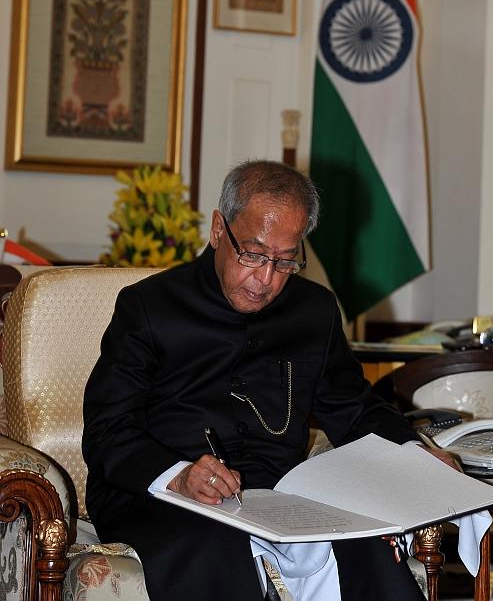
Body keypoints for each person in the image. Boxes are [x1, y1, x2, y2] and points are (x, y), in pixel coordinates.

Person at [83, 159, 457, 600]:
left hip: (281, 498)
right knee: (210, 546)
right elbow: (108, 429)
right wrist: (179, 476)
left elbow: (353, 409)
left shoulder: (314, 311)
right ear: (219, 230)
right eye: (254, 254)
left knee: (369, 548)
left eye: (284, 262)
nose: (264, 280)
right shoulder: (148, 306)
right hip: (160, 496)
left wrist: (416, 451)